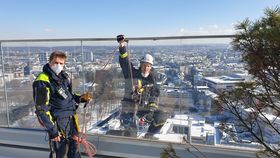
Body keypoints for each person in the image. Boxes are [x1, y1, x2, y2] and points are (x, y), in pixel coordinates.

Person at [32, 51, 92, 158]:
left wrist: (80, 98)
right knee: (60, 153)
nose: (58, 65)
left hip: (71, 120)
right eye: (56, 62)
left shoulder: (63, 77)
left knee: (74, 150)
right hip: (58, 123)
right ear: (50, 62)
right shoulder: (42, 80)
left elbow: (68, 96)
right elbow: (41, 109)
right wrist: (52, 131)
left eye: (61, 63)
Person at [116, 35, 166, 137]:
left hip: (144, 108)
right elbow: (125, 63)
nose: (146, 68)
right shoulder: (132, 74)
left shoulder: (152, 79)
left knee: (161, 117)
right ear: (140, 65)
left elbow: (155, 94)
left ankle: (149, 135)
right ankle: (131, 139)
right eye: (144, 65)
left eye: (148, 66)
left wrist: (152, 106)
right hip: (130, 108)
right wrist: (122, 46)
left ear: (151, 67)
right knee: (131, 131)